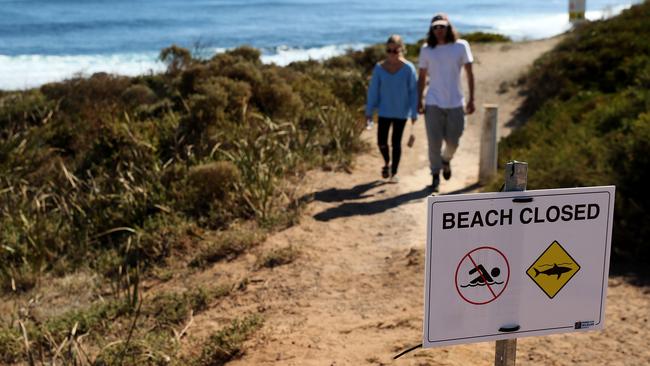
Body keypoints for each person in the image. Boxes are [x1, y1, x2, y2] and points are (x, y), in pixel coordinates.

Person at [417, 13, 475, 192]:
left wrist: (472, 98)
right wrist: (419, 100)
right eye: (435, 27)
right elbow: (421, 77)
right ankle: (435, 175)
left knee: (453, 141)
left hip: (456, 102)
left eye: (442, 26)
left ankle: (446, 160)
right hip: (433, 102)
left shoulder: (461, 46)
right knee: (434, 142)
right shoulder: (427, 49)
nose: (439, 30)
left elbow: (470, 73)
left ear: (448, 27)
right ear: (431, 29)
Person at [365, 34, 418, 183]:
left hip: (401, 112)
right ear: (386, 50)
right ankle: (387, 163)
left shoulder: (409, 68)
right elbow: (373, 91)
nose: (392, 54)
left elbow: (414, 92)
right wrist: (368, 111)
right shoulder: (379, 68)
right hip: (384, 111)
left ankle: (394, 173)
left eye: (396, 50)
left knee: (396, 143)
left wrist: (414, 113)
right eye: (389, 50)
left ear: (402, 50)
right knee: (381, 141)